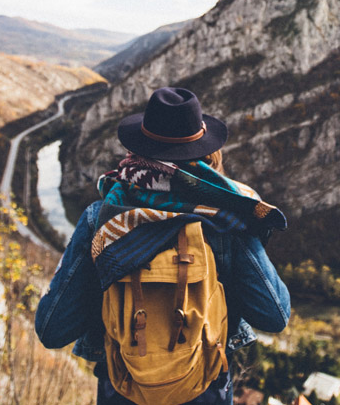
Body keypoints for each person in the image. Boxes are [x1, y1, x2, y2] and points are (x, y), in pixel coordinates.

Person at [36, 87, 290, 404]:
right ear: (208, 151)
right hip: (202, 389)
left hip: (123, 388)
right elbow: (275, 315)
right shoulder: (228, 217)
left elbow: (52, 329)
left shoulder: (100, 218)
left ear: (138, 150)